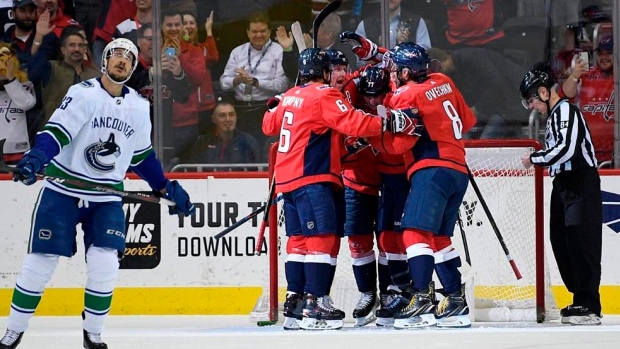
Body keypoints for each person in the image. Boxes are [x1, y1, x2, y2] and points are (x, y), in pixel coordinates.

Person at [0, 37, 195, 349]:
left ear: (133, 68)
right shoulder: (82, 94)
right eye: (116, 55)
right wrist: (36, 158)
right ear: (105, 61)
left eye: (129, 59)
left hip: (106, 197)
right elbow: (56, 133)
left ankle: (93, 334)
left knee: (105, 264)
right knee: (40, 263)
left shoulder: (138, 106)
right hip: (63, 190)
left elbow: (141, 157)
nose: (122, 61)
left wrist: (166, 188)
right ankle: (13, 331)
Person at [262, 48, 411, 331]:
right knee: (323, 239)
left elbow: (268, 124)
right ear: (326, 72)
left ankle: (294, 304)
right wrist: (389, 121)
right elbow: (354, 121)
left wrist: (278, 100)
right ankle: (315, 305)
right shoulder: (324, 95)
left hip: (287, 180)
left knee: (298, 241)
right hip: (312, 177)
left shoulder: (292, 95)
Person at [372, 42, 477, 329]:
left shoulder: (405, 94)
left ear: (406, 72)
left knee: (413, 234)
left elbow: (398, 146)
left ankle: (421, 299)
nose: (393, 72)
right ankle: (455, 301)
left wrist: (374, 133)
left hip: (431, 168)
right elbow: (468, 120)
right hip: (457, 169)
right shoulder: (443, 80)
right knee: (439, 238)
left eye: (396, 69)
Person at [519, 69, 602, 326]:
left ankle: (589, 303)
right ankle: (580, 299)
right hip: (563, 184)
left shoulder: (566, 111)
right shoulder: (555, 117)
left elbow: (566, 149)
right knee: (561, 239)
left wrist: (535, 158)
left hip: (580, 182)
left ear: (544, 92)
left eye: (531, 100)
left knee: (580, 240)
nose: (532, 106)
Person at [220, 12, 288, 150]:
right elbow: (223, 83)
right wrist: (238, 80)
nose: (258, 35)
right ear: (248, 32)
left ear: (269, 31)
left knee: (266, 150)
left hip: (267, 109)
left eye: (262, 31)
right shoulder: (238, 52)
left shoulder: (278, 51)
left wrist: (255, 82)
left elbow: (283, 84)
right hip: (241, 111)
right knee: (242, 152)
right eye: (254, 31)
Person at [427, 46, 528, 139]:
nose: (440, 72)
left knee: (486, 139)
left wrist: (475, 109)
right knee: (461, 136)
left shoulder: (472, 58)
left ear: (447, 58)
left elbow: (496, 85)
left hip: (510, 103)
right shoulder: (450, 74)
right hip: (487, 107)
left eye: (439, 68)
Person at [27, 26, 100, 125]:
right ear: (63, 50)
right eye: (72, 45)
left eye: (80, 45)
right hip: (54, 132)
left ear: (84, 49)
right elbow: (33, 67)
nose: (76, 49)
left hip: (84, 133)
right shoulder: (51, 68)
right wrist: (39, 37)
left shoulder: (94, 76)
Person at [560, 34, 614, 164]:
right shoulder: (587, 74)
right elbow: (565, 95)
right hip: (587, 149)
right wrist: (574, 75)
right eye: (601, 54)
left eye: (609, 53)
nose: (604, 57)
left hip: (615, 151)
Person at [182, 101, 260, 169]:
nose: (228, 119)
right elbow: (195, 172)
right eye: (222, 115)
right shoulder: (202, 142)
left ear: (236, 117)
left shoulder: (249, 142)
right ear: (214, 119)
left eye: (231, 115)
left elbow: (255, 174)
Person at [181, 10, 219, 132]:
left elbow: (213, 56)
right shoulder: (176, 49)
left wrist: (208, 31)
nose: (188, 26)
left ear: (197, 27)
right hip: (186, 109)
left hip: (206, 106)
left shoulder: (202, 49)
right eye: (184, 23)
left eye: (192, 23)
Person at [0, 44, 36, 163]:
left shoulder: (26, 85)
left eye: (5, 62)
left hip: (18, 150)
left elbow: (27, 103)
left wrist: (10, 80)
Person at [355, 0, 431, 51]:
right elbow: (358, 61)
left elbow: (424, 56)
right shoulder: (364, 25)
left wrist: (407, 45)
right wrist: (376, 50)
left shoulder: (417, 22)